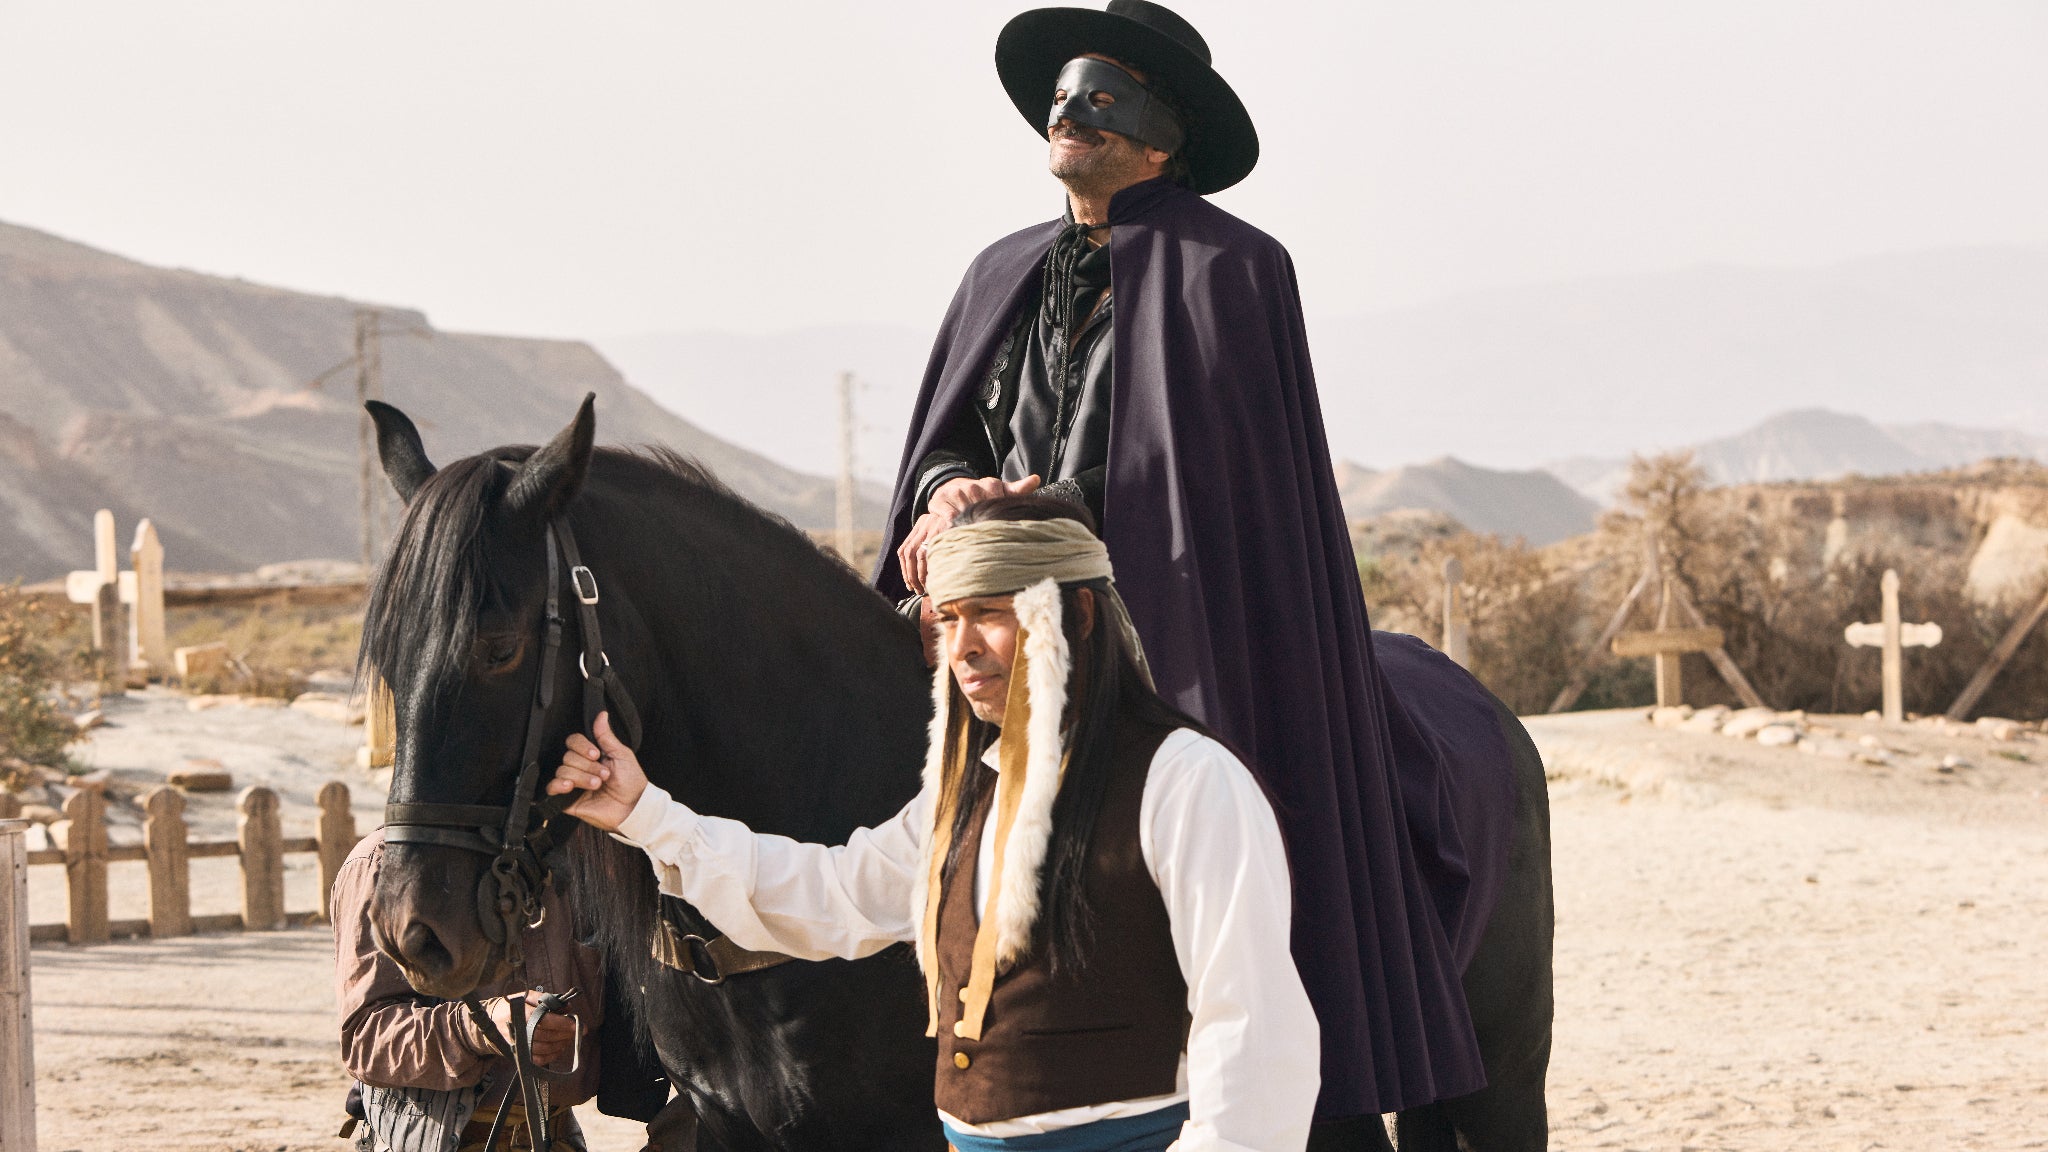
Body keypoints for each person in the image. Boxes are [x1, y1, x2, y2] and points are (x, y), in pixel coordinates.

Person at [876, 1, 1513, 1139]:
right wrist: (945, 494)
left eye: (1103, 97)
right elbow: (947, 438)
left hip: (1168, 624)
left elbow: (1223, 497)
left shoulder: (1233, 270)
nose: (1070, 112)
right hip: (994, 628)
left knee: (1240, 799)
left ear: (1163, 137)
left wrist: (1054, 513)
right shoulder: (997, 274)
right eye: (1064, 96)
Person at [551, 497, 1320, 1152]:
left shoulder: (1186, 780)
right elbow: (833, 898)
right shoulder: (968, 793)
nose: (963, 650)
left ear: (1078, 614)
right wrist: (646, 815)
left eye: (991, 614)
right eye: (949, 620)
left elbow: (1252, 1036)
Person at [332, 829, 604, 1152]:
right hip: (434, 1140)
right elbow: (366, 1037)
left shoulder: (579, 854)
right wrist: (479, 1028)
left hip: (556, 1138)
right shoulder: (383, 862)